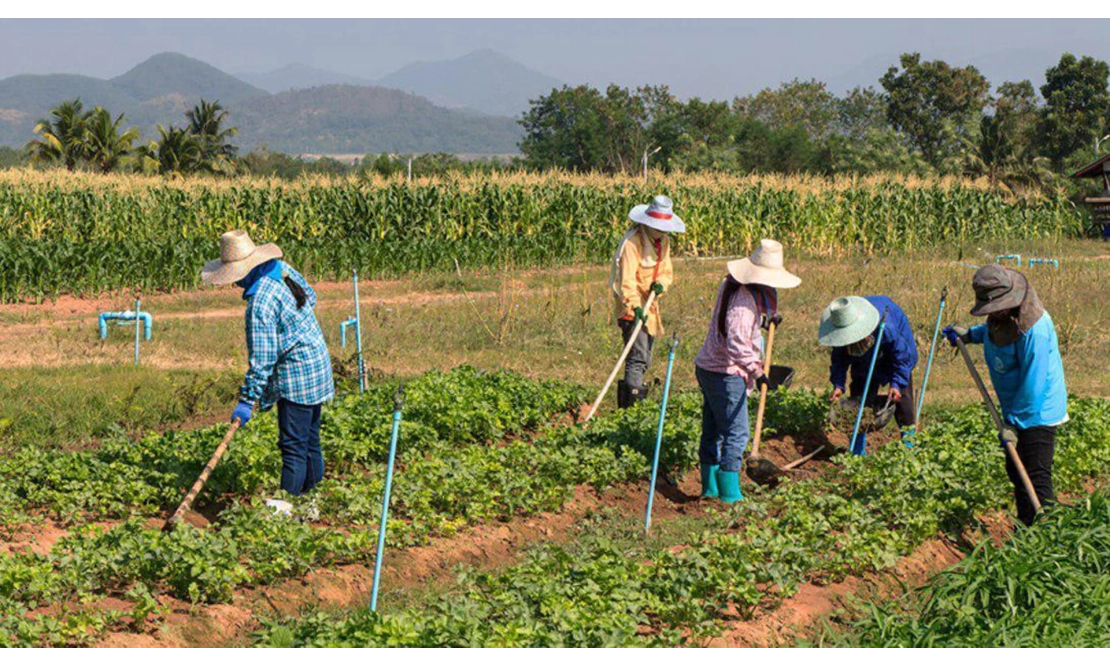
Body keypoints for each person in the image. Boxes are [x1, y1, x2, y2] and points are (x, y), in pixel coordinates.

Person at [201, 230, 334, 512]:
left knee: (293, 445)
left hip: (297, 376)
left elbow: (262, 358)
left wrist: (247, 400)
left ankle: (286, 514)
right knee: (310, 439)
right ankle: (312, 504)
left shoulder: (260, 301)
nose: (234, 282)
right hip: (317, 363)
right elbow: (310, 297)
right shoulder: (282, 269)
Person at [943, 264, 1067, 527]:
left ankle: (1048, 531)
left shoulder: (1035, 328)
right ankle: (1027, 525)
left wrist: (1016, 423)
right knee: (1016, 468)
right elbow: (995, 334)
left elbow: (1033, 386)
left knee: (1035, 473)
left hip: (1038, 410)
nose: (993, 313)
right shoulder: (1003, 317)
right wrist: (971, 335)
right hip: (1016, 408)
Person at [694, 239, 800, 502]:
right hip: (725, 372)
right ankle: (729, 494)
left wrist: (764, 321)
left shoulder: (733, 284)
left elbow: (734, 323)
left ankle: (710, 488)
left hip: (708, 367)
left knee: (714, 429)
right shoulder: (744, 302)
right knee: (736, 430)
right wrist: (758, 372)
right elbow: (738, 342)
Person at [609, 195, 685, 408]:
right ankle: (630, 410)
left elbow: (665, 270)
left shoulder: (663, 241)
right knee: (638, 357)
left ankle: (630, 403)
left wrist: (661, 284)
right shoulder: (633, 243)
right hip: (631, 306)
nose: (663, 231)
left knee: (645, 358)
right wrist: (634, 307)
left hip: (649, 306)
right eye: (658, 227)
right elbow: (626, 281)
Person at [818, 295, 918, 455]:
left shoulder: (888, 328)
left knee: (902, 398)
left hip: (893, 352)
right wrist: (838, 384)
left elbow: (902, 357)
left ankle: (909, 445)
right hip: (863, 359)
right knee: (859, 391)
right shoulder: (841, 332)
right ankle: (857, 450)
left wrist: (897, 383)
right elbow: (839, 359)